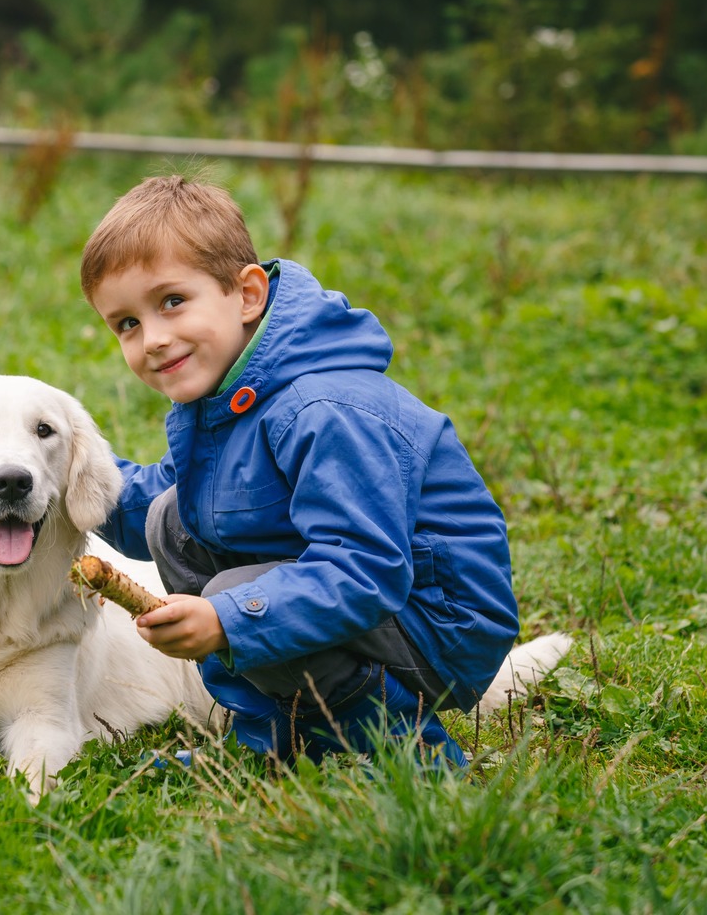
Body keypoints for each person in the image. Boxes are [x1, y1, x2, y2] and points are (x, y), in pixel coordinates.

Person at [81, 174, 518, 764]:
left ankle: (405, 756)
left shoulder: (322, 409)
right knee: (170, 520)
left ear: (248, 295)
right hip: (371, 600)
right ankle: (283, 745)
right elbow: (156, 502)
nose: (153, 339)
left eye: (172, 301)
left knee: (240, 595)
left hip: (437, 619)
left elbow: (364, 569)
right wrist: (67, 472)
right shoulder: (228, 399)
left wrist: (228, 618)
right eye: (127, 324)